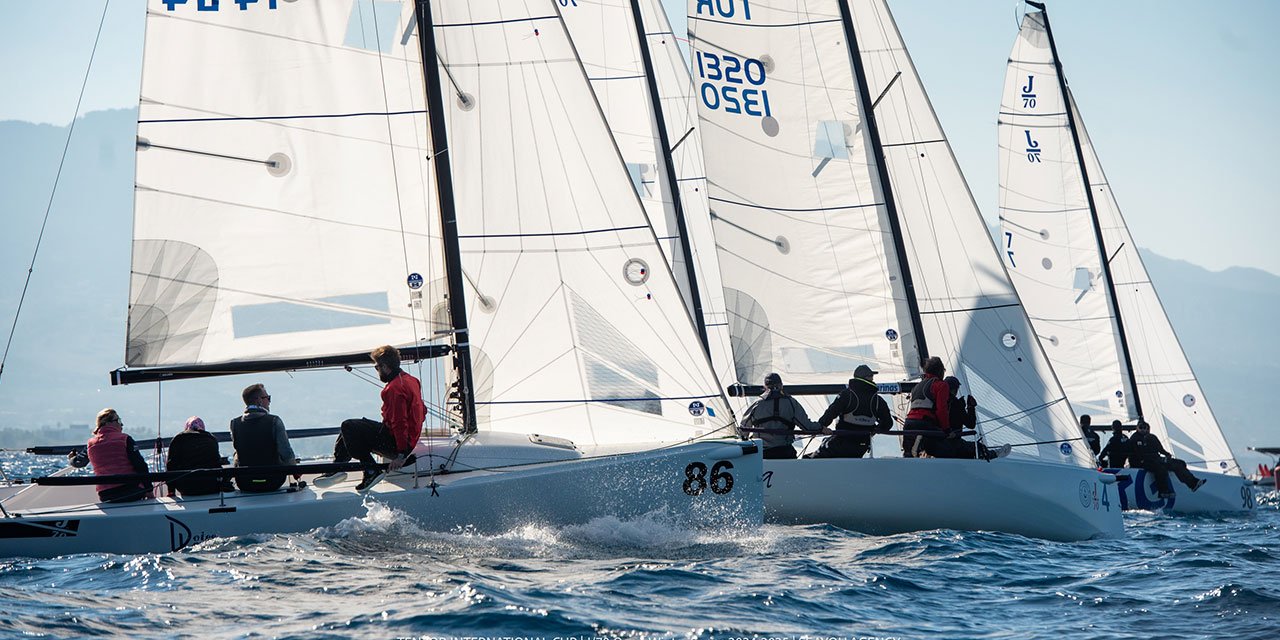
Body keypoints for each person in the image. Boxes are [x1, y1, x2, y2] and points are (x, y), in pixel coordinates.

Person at [319, 345, 426, 491]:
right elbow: (422, 411)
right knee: (352, 428)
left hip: (396, 445)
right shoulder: (411, 381)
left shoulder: (394, 389)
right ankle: (338, 467)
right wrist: (411, 440)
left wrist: (401, 454)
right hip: (405, 441)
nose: (377, 371)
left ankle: (371, 470)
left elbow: (399, 422)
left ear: (385, 366)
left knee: (348, 426)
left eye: (377, 367)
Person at [809, 365, 891, 459]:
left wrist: (820, 426)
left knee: (810, 458)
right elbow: (888, 424)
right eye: (871, 376)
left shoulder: (846, 395)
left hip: (841, 442)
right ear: (866, 378)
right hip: (861, 446)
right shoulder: (878, 400)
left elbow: (831, 412)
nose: (873, 379)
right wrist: (875, 430)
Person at [229, 383, 299, 493]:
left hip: (245, 482)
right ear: (259, 400)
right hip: (273, 481)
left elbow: (238, 451)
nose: (269, 401)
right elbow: (286, 452)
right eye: (268, 398)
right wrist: (296, 472)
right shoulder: (274, 421)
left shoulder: (234, 424)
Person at [738, 372, 824, 460]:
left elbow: (744, 429)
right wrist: (821, 428)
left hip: (763, 454)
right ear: (781, 386)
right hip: (785, 453)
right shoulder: (791, 403)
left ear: (765, 387)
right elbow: (807, 426)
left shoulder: (757, 403)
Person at [85, 408, 152, 503]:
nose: (121, 424)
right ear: (107, 423)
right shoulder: (125, 439)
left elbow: (79, 461)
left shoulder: (90, 444)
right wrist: (149, 489)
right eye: (118, 420)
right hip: (130, 490)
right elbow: (140, 465)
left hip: (105, 494)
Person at [936, 376, 1011, 460]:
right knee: (978, 448)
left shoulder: (936, 401)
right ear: (955, 390)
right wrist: (971, 407)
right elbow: (971, 424)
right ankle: (994, 454)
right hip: (952, 444)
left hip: (937, 443)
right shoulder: (956, 404)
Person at [1129, 420, 1206, 498]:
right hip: (1143, 462)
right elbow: (1138, 454)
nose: (1143, 429)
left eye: (1145, 427)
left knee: (1179, 463)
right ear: (1137, 428)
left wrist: (1167, 454)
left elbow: (1160, 449)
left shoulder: (1151, 437)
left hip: (1155, 459)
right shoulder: (1135, 438)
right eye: (1140, 427)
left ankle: (1193, 483)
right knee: (1160, 468)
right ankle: (1163, 491)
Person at [166, 416, 230, 497]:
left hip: (187, 488)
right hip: (211, 486)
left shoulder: (178, 439)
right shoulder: (210, 438)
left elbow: (171, 466)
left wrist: (171, 491)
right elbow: (216, 463)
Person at [903, 356, 950, 458]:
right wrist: (946, 429)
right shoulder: (941, 385)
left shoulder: (916, 387)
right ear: (940, 371)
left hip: (909, 422)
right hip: (925, 423)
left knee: (908, 454)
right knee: (946, 449)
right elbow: (941, 410)